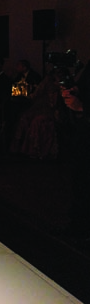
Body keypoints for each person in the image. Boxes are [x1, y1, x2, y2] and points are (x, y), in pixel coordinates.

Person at [59, 62, 90, 241]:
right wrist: (74, 94)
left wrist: (82, 108)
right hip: (83, 132)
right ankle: (78, 227)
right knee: (81, 179)